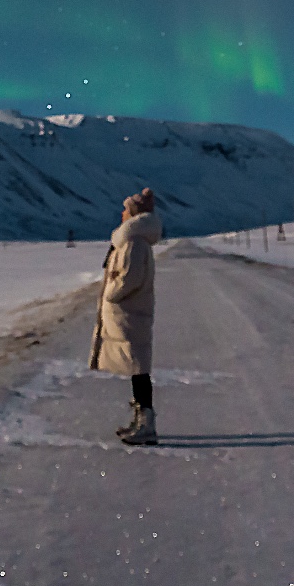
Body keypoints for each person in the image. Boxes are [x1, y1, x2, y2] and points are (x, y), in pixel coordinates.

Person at [89, 187, 162, 445]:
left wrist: (110, 294)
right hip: (132, 314)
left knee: (139, 369)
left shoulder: (133, 243)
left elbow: (130, 278)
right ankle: (140, 420)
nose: (121, 214)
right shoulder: (133, 241)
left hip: (130, 315)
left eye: (125, 210)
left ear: (133, 215)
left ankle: (146, 424)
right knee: (136, 369)